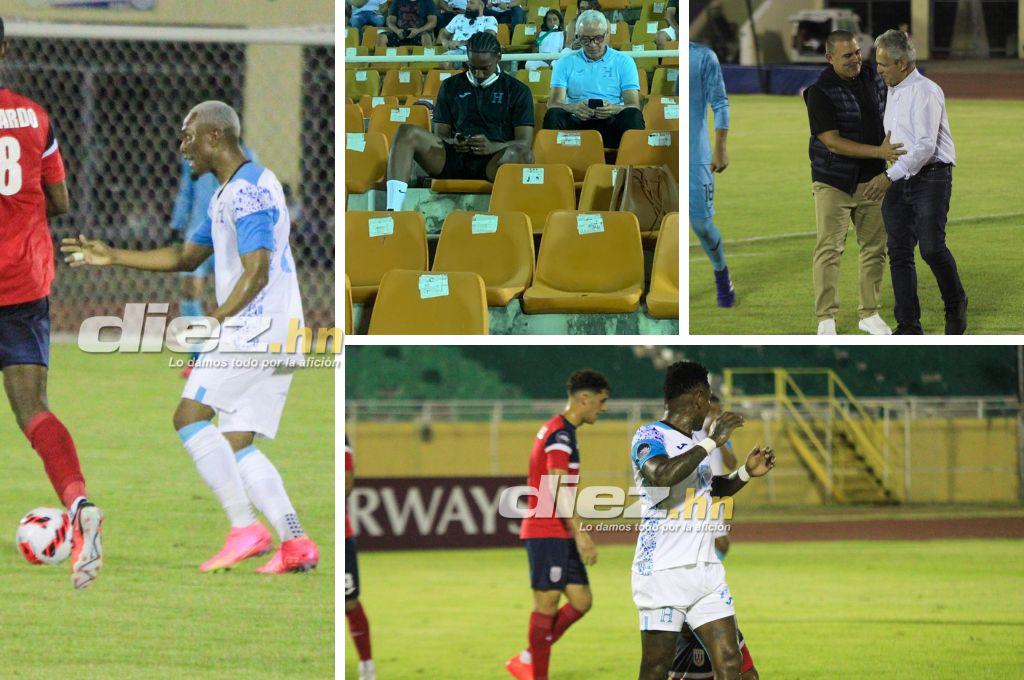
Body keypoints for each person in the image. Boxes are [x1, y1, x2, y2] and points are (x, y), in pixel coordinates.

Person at [63, 101, 319, 574]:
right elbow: (185, 255)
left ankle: (245, 527)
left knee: (189, 416)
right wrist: (113, 255)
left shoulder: (245, 192)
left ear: (215, 137)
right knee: (238, 442)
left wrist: (215, 320)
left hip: (253, 330)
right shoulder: (231, 190)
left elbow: (257, 270)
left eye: (188, 136)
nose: (182, 147)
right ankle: (296, 543)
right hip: (281, 332)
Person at [0, 18, 103, 590]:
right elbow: (59, 200)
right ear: (4, 48)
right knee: (32, 408)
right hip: (23, 281)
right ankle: (79, 502)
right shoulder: (35, 116)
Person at [630, 361, 775, 680]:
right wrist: (711, 441)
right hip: (663, 572)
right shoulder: (650, 434)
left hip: (705, 572)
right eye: (709, 398)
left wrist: (745, 473)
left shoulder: (696, 440)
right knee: (655, 669)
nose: (710, 405)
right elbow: (661, 476)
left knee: (730, 660)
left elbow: (708, 488)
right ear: (697, 398)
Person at [505, 369, 610, 680]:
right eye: (601, 401)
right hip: (545, 529)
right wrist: (581, 534)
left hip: (556, 530)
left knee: (581, 600)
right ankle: (535, 671)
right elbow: (557, 488)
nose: (602, 408)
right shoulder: (560, 435)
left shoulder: (560, 430)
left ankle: (528, 656)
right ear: (584, 398)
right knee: (547, 604)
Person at [864, 29, 967, 335]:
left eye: (883, 64)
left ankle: (956, 302)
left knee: (932, 248)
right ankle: (908, 324)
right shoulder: (893, 88)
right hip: (899, 175)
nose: (879, 69)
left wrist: (887, 176)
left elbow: (924, 147)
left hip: (931, 176)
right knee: (898, 251)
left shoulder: (927, 91)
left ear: (903, 63)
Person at [804, 30, 906, 336]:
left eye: (857, 53)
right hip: (833, 181)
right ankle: (826, 318)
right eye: (847, 55)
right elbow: (833, 142)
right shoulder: (819, 92)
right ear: (830, 57)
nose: (855, 60)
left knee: (875, 247)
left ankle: (869, 314)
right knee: (830, 248)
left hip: (872, 178)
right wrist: (881, 152)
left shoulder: (873, 80)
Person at [385, 32, 534, 211]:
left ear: (498, 57)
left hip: (493, 162)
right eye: (472, 67)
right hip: (454, 157)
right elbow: (440, 135)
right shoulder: (450, 85)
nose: (478, 74)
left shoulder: (518, 90)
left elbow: (524, 142)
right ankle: (392, 211)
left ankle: (507, 215)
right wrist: (454, 142)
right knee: (406, 132)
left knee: (522, 154)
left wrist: (492, 146)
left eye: (484, 68)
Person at [170, 143, 257, 377]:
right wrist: (176, 225)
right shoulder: (192, 157)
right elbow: (186, 191)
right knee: (190, 290)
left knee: (232, 295)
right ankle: (198, 355)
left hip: (231, 235)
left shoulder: (247, 156)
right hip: (197, 232)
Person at [543, 10, 645, 148]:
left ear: (607, 34)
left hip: (611, 119)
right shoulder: (564, 62)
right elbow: (553, 103)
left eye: (598, 38)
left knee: (633, 116)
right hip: (578, 119)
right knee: (553, 115)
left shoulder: (624, 62)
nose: (592, 44)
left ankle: (628, 164)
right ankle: (554, 163)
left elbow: (633, 104)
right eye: (585, 39)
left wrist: (613, 109)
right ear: (577, 37)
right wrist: (574, 108)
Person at [689, 42, 735, 308]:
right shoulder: (662, 55)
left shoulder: (704, 56)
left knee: (702, 226)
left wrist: (720, 148)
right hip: (661, 149)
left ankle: (721, 273)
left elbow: (719, 102)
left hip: (696, 155)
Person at [346, 438, 376, 680]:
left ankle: (366, 665)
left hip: (343, 535)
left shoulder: (342, 441)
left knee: (349, 603)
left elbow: (346, 487)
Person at [439, 0, 498, 66]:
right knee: (444, 62)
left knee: (475, 63)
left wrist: (461, 43)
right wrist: (445, 42)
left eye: (471, 3)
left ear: (481, 5)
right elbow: (444, 32)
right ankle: (457, 75)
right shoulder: (458, 17)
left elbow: (488, 38)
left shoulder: (489, 19)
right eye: (467, 2)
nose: (467, 6)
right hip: (456, 52)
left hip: (477, 52)